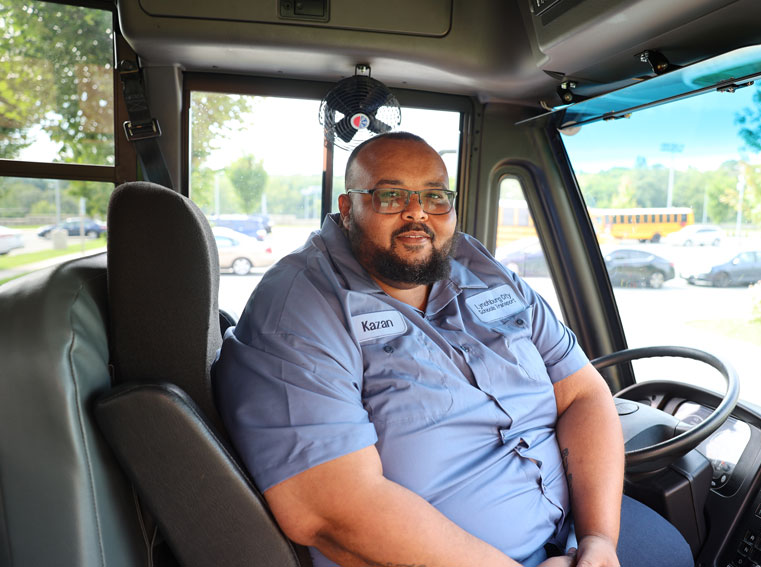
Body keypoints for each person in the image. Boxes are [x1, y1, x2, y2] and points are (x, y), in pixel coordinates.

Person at [213, 132, 693, 567]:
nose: (418, 212)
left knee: (675, 552)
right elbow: (330, 510)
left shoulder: (478, 265)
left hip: (571, 535)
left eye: (435, 196)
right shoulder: (301, 308)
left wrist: (598, 543)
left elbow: (584, 393)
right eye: (391, 195)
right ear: (347, 206)